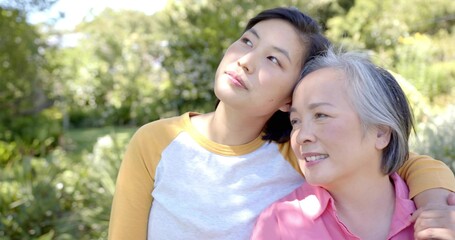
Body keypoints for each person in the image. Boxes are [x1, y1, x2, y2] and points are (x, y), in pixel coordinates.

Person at [108, 7, 455, 240]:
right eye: (247, 41)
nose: (245, 60)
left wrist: (435, 203)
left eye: (273, 58)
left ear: (292, 96)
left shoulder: (297, 150)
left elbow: (398, 160)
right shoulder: (156, 141)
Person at [251, 48, 423, 239]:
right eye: (295, 121)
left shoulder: (438, 211)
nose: (301, 136)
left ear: (381, 132)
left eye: (321, 115)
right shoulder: (279, 225)